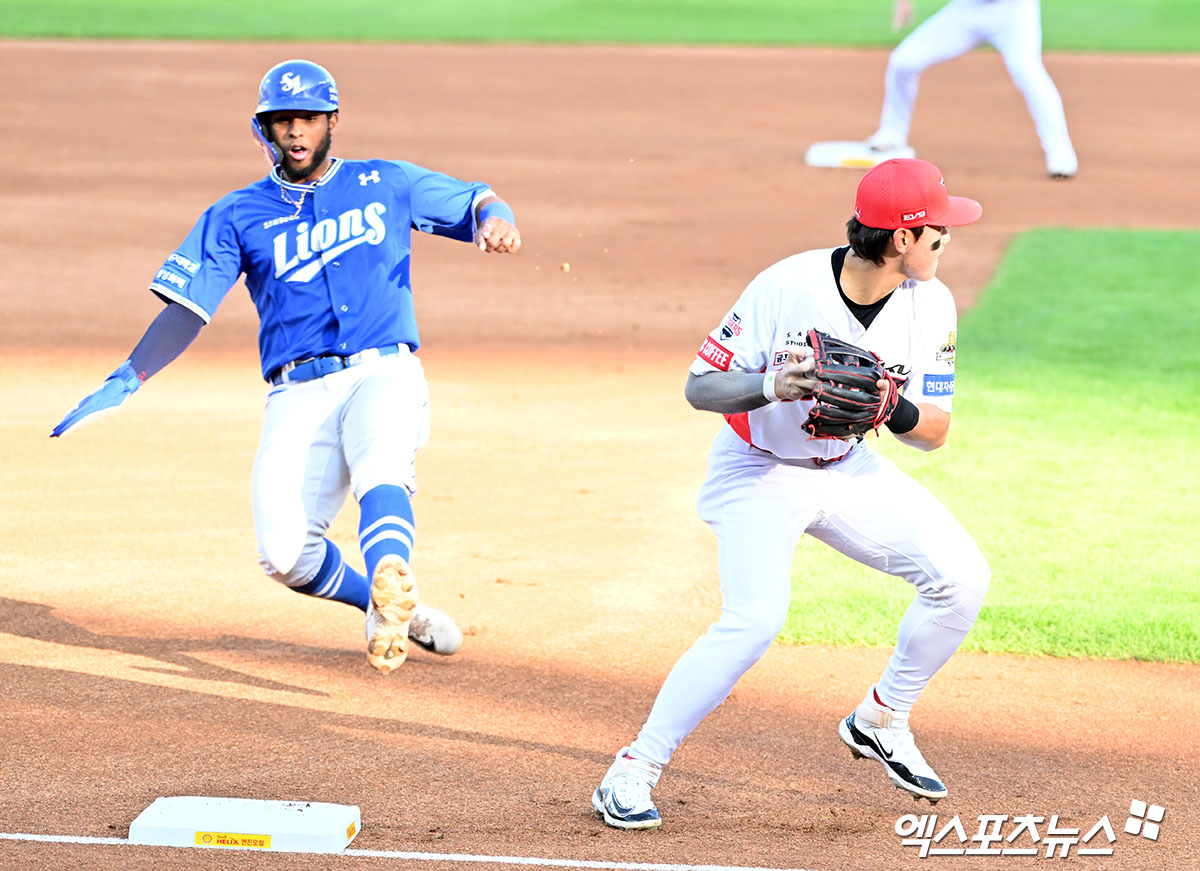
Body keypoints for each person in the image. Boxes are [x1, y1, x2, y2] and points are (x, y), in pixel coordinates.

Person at [51, 59, 522, 674]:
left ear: (331, 120)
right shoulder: (237, 214)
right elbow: (189, 309)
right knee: (283, 555)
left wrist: (495, 219)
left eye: (306, 118)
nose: (295, 131)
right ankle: (386, 607)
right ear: (263, 130)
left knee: (382, 462)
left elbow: (474, 198)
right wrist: (128, 375)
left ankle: (390, 566)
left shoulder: (387, 180)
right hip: (297, 392)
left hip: (384, 370)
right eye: (282, 121)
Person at [592, 158, 991, 830]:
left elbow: (936, 433)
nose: (947, 241)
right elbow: (699, 387)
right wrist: (770, 386)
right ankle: (632, 768)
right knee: (755, 619)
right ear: (901, 239)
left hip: (846, 468)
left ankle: (882, 715)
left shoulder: (934, 304)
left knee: (964, 580)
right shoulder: (786, 284)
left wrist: (891, 408)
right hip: (758, 471)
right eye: (938, 232)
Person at [867, 0, 1078, 178]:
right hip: (966, 10)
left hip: (1013, 11)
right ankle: (892, 133)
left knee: (1028, 72)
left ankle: (1060, 154)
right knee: (903, 62)